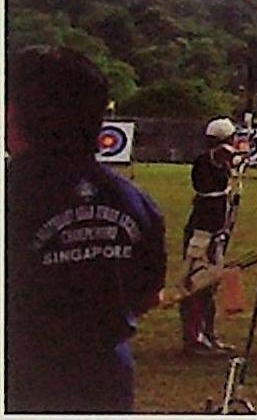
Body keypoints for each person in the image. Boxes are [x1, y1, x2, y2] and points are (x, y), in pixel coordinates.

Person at [5, 45, 167, 412]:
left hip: (25, 381)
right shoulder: (133, 200)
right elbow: (147, 296)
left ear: (13, 112)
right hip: (107, 380)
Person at [178, 116, 242, 355]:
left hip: (214, 233)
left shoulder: (218, 161)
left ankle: (208, 334)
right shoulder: (208, 160)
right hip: (202, 234)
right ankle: (194, 337)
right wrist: (234, 153)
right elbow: (222, 155)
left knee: (210, 285)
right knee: (197, 284)